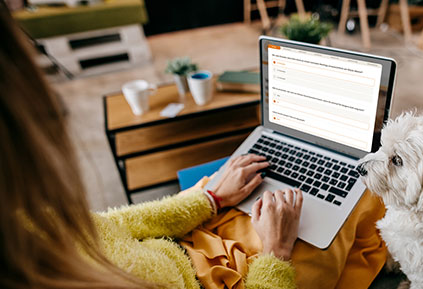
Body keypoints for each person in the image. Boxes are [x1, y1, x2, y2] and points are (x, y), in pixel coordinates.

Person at [0, 3, 302, 289]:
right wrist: (276, 253)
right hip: (223, 274)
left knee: (246, 181)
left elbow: (116, 225)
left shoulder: (29, 222)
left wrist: (211, 198)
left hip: (182, 243)